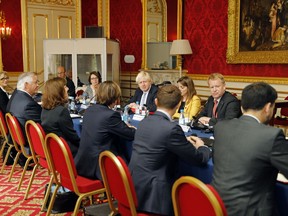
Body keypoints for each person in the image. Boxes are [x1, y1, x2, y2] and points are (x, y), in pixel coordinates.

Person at [129, 85, 211, 215]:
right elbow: (198, 159)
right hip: (154, 196)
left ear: (156, 102)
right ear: (178, 105)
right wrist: (202, 146)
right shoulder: (171, 129)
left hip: (133, 187)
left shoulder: (144, 121)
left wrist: (182, 140)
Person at [211, 82, 288, 216]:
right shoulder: (271, 136)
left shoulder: (221, 127)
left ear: (242, 107)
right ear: (268, 108)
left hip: (215, 205)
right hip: (250, 211)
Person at [75, 81, 136, 180]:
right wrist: (132, 128)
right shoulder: (110, 115)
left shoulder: (89, 110)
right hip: (99, 166)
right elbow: (130, 134)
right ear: (115, 98)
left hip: (83, 162)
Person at [6, 72, 42, 167]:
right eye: (36, 82)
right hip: (31, 143)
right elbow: (44, 123)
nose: (38, 85)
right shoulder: (28, 104)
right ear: (26, 85)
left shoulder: (16, 95)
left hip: (17, 139)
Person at [41, 77, 80, 157]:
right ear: (58, 91)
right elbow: (73, 137)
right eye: (65, 87)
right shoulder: (61, 111)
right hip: (66, 152)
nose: (68, 88)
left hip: (54, 150)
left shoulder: (45, 108)